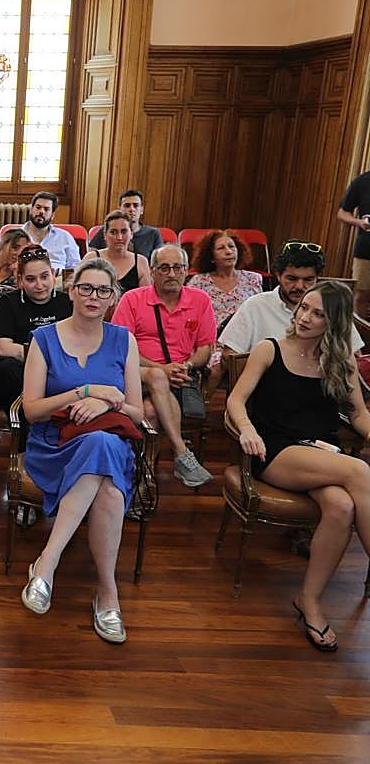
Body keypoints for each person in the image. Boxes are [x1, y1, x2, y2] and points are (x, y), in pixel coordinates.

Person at [227, 281, 370, 651]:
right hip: (276, 449)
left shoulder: (340, 361)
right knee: (360, 472)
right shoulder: (270, 349)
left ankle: (309, 600)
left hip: (322, 453)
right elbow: (236, 400)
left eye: (317, 314)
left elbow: (358, 414)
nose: (305, 317)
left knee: (342, 506)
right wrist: (246, 429)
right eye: (304, 307)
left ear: (334, 323)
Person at [19, 257, 145, 644]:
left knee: (102, 443)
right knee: (109, 488)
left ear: (113, 298)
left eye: (103, 290)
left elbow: (138, 413)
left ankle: (47, 563)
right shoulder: (44, 339)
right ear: (71, 292)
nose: (94, 296)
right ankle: (107, 593)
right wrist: (84, 391)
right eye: (86, 288)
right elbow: (31, 410)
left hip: (109, 442)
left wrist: (106, 404)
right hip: (54, 443)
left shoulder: (124, 340)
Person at [111, 244, 216, 489]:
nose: (171, 273)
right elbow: (121, 347)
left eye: (177, 267)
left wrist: (186, 366)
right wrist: (161, 368)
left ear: (186, 271)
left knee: (150, 411)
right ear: (152, 271)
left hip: (180, 376)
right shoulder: (133, 299)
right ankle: (180, 453)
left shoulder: (200, 300)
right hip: (135, 374)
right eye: (164, 268)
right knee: (157, 378)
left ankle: (143, 473)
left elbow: (205, 348)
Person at [0, 245, 73, 422]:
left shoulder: (68, 303)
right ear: (20, 280)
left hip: (58, 367)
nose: (39, 285)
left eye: (44, 277)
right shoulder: (8, 303)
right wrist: (42, 360)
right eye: (31, 279)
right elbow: (4, 348)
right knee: (11, 371)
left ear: (53, 274)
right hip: (15, 367)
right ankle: (28, 428)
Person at [221, 240, 363, 358]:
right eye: (292, 278)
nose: (300, 286)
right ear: (278, 275)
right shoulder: (256, 305)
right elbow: (229, 356)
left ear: (317, 278)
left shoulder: (332, 307)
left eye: (308, 280)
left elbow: (355, 356)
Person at [187, 230, 264, 381]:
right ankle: (205, 396)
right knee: (217, 364)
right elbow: (190, 317)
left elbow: (259, 313)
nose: (228, 251)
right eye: (221, 248)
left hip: (245, 341)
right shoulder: (199, 282)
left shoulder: (253, 279)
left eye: (231, 246)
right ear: (211, 257)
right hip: (211, 343)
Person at [82, 210, 152, 293]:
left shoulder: (141, 262)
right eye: (113, 232)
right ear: (105, 235)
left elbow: (146, 297)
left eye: (124, 232)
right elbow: (79, 291)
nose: (119, 237)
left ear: (131, 234)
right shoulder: (91, 258)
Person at [88, 190, 165, 260]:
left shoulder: (153, 233)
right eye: (127, 206)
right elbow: (91, 256)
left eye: (136, 205)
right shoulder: (106, 230)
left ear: (141, 210)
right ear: (120, 209)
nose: (131, 209)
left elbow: (160, 262)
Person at [336, 169, 370, 318]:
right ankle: (358, 331)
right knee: (361, 295)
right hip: (366, 248)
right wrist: (359, 222)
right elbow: (342, 212)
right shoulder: (362, 181)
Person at [22, 192, 81, 275]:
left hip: (58, 279)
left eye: (46, 209)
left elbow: (75, 267)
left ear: (52, 215)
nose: (41, 212)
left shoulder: (65, 237)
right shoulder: (16, 235)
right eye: (38, 207)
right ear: (31, 210)